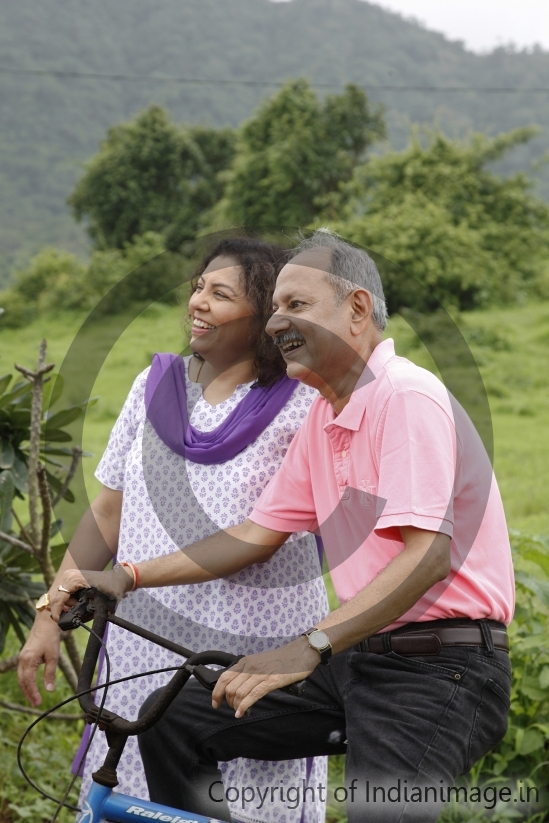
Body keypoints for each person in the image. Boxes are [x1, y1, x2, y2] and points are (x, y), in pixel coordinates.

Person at [52, 229, 515, 823]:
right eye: (274, 310)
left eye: (296, 306)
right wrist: (128, 575)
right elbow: (254, 535)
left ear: (357, 310)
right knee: (170, 718)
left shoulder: (405, 395)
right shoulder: (325, 415)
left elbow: (427, 558)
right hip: (357, 656)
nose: (277, 324)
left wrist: (308, 647)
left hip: (439, 670)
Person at [19, 236, 330, 823]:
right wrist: (51, 614)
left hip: (244, 654)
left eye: (220, 293)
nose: (198, 302)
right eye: (197, 288)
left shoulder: (303, 404)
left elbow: (262, 535)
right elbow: (108, 512)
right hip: (142, 645)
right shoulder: (152, 387)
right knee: (136, 798)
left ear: (264, 316)